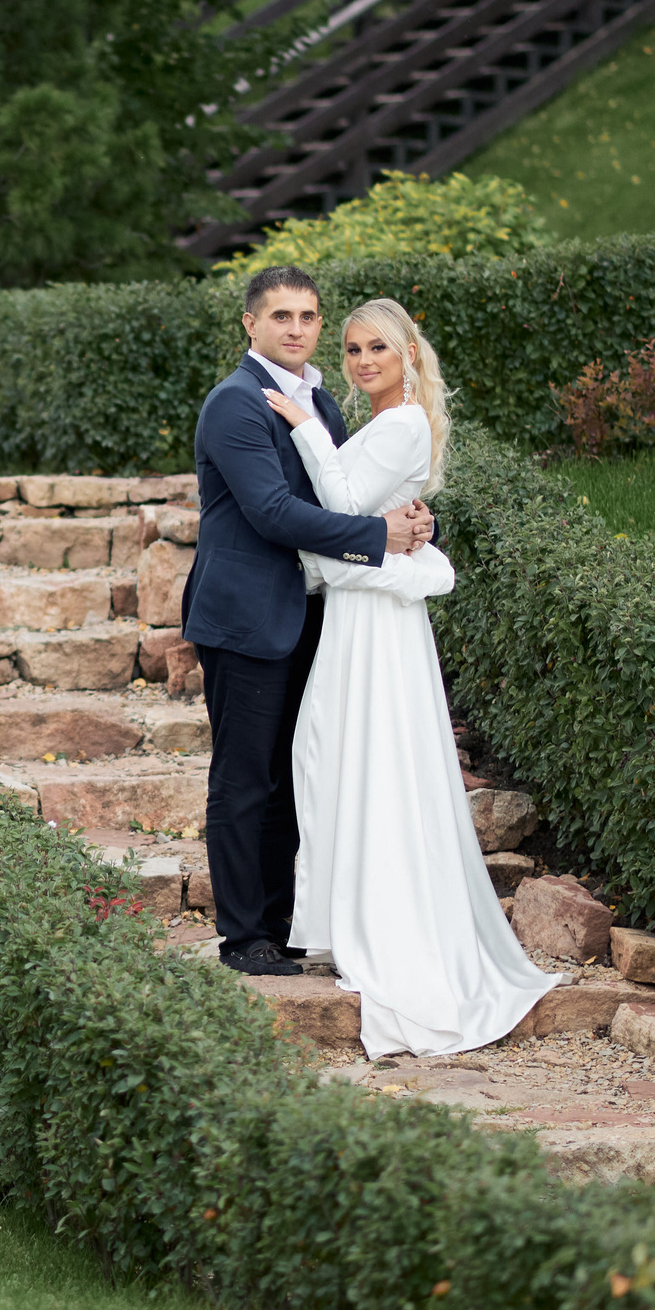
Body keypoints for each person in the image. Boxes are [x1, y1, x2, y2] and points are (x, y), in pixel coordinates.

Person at [262, 297, 556, 1057]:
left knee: (368, 753)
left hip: (377, 624)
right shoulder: (384, 424)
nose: (362, 361)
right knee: (335, 752)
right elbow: (372, 518)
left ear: (408, 357)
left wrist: (306, 429)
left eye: (378, 350)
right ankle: (348, 909)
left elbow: (347, 502)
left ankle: (386, 924)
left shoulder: (400, 424)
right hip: (361, 615)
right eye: (354, 349)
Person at [181, 266, 434, 978]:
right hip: (246, 616)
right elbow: (273, 513)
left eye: (309, 316)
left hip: (313, 613)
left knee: (295, 778)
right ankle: (244, 936)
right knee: (244, 779)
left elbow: (347, 493)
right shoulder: (234, 404)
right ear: (250, 324)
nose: (297, 328)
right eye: (282, 315)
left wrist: (412, 521)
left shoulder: (320, 400)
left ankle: (283, 924)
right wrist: (381, 536)